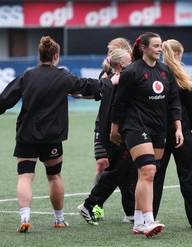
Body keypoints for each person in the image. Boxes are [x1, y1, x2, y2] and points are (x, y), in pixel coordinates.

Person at [0, 36, 119, 233]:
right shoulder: (63, 77)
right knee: (54, 176)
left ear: (41, 55)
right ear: (56, 56)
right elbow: (88, 85)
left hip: (27, 134)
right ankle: (59, 219)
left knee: (25, 176)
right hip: (52, 136)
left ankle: (25, 217)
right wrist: (110, 81)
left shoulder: (27, 76)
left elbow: (6, 98)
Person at [110, 32, 183, 237]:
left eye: (160, 46)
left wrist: (178, 128)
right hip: (135, 127)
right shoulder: (131, 72)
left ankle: (138, 221)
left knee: (147, 173)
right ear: (144, 48)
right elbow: (119, 103)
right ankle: (149, 222)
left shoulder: (166, 71)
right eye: (156, 46)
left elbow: (174, 102)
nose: (160, 49)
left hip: (158, 129)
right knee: (148, 170)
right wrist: (114, 130)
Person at [77, 48, 137, 225]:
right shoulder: (118, 81)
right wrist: (115, 132)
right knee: (117, 171)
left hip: (110, 132)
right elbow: (116, 108)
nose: (132, 64)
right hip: (115, 133)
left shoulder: (110, 80)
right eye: (129, 61)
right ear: (121, 65)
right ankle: (89, 204)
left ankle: (130, 212)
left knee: (127, 171)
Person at [152, 39, 192, 229]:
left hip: (159, 132)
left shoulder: (155, 73)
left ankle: (149, 218)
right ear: (177, 54)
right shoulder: (181, 75)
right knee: (189, 175)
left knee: (155, 175)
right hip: (181, 131)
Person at [93, 38, 133, 185]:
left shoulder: (131, 70)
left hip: (123, 125)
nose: (109, 55)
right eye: (109, 51)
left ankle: (94, 201)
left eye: (112, 51)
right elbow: (97, 92)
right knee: (102, 163)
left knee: (123, 167)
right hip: (103, 123)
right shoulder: (106, 72)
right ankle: (97, 204)